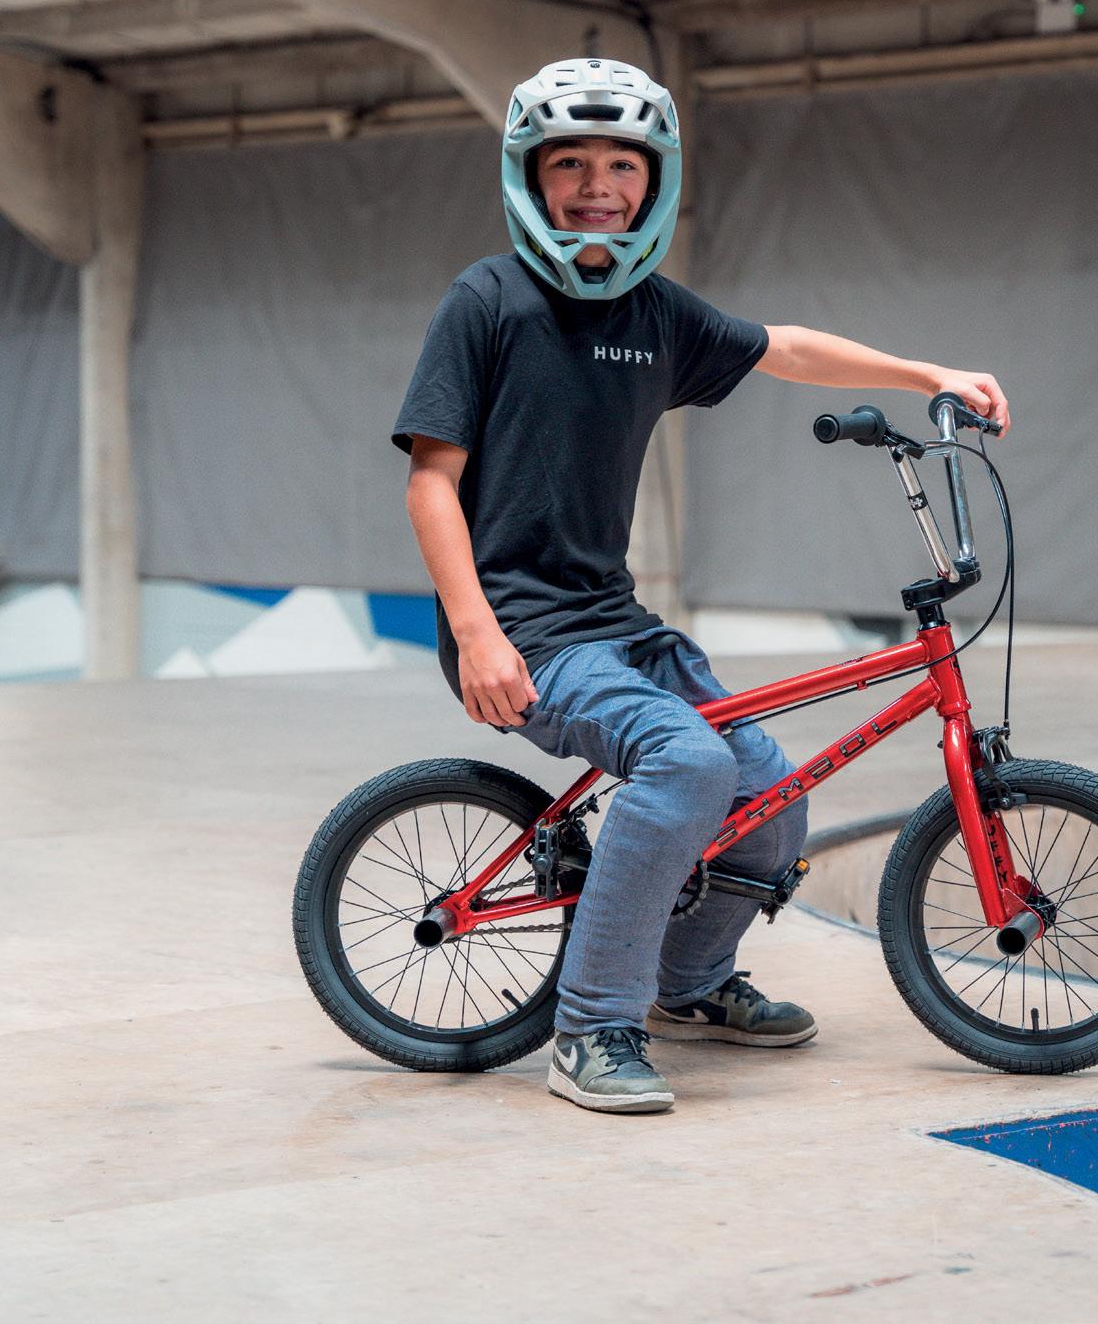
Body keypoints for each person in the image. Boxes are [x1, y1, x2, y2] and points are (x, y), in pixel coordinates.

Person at [392, 57, 1010, 1115]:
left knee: (768, 793)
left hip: (617, 623)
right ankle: (591, 1027)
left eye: (621, 165)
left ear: (655, 181)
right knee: (686, 761)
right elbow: (429, 485)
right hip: (525, 632)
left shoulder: (654, 314)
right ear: (530, 177)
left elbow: (786, 349)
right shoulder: (487, 301)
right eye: (570, 164)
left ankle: (686, 984)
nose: (597, 185)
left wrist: (928, 375)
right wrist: (477, 632)